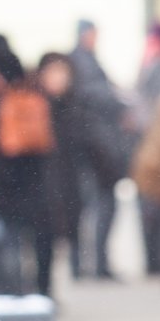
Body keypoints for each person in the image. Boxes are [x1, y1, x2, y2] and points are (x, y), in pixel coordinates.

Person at [0, 34, 54, 296]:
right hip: (29, 169)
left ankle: (4, 284)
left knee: (1, 230)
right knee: (29, 231)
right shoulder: (22, 77)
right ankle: (34, 287)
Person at [68, 19, 135, 279]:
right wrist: (120, 104)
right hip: (95, 148)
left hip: (97, 146)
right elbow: (97, 97)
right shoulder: (82, 62)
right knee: (96, 205)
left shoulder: (87, 60)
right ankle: (93, 264)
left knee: (94, 205)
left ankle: (92, 264)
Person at [37, 52, 88, 281]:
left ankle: (54, 282)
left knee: (64, 232)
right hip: (39, 183)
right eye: (53, 72)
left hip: (67, 180)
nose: (59, 78)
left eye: (62, 73)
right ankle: (40, 286)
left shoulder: (74, 105)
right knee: (41, 236)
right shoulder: (34, 104)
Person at [135, 21, 160, 276]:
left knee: (157, 218)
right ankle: (159, 264)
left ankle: (157, 263)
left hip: (152, 153)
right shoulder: (157, 66)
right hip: (158, 159)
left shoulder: (150, 64)